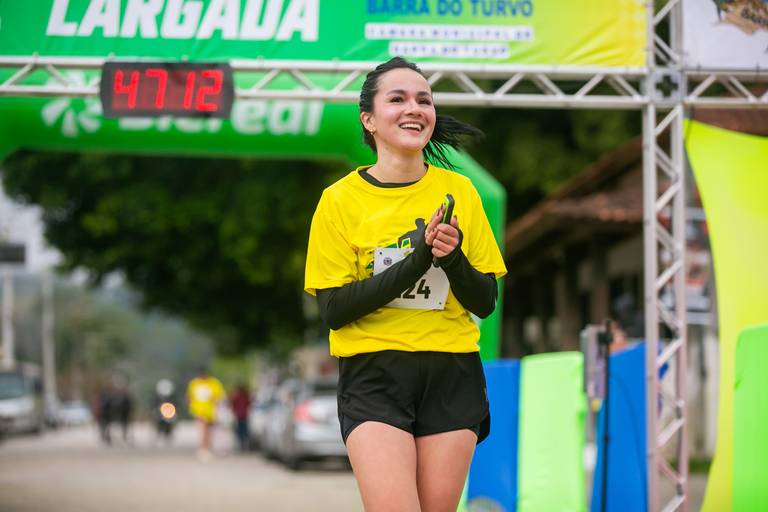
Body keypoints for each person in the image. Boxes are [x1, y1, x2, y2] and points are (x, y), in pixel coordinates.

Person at [304, 57, 507, 512]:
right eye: (397, 99)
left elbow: (485, 301)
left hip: (451, 372)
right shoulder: (338, 201)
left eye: (424, 100)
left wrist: (451, 258)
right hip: (373, 374)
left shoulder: (461, 191)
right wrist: (417, 261)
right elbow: (335, 310)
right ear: (369, 120)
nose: (414, 108)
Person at [186, 367, 226, 461]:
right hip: (199, 411)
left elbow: (219, 396)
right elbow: (189, 397)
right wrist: (191, 406)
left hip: (211, 412)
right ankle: (203, 449)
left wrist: (216, 404)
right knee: (203, 431)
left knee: (209, 432)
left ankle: (207, 448)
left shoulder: (213, 383)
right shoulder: (194, 383)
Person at [229, 383, 251, 452]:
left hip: (240, 415)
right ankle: (243, 444)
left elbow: (233, 404)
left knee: (240, 430)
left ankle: (242, 444)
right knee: (243, 430)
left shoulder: (238, 396)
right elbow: (249, 403)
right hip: (243, 415)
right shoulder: (244, 395)